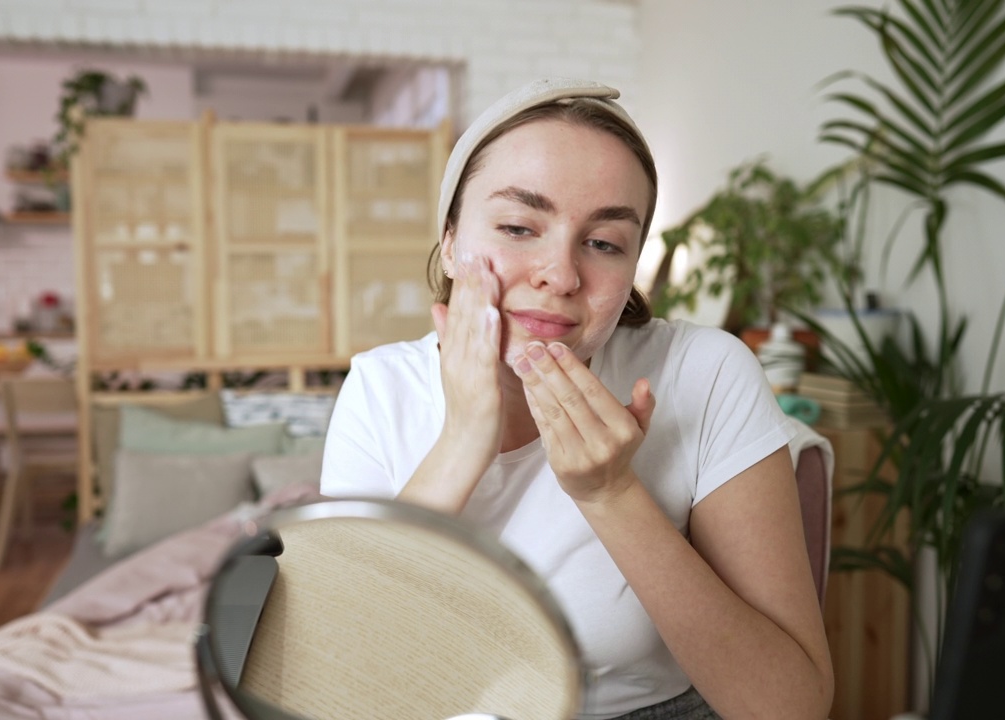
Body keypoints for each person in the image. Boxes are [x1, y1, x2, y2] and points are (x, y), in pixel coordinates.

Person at [320, 78, 833, 720]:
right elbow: (333, 673)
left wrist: (611, 494)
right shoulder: (382, 388)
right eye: (516, 226)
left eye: (603, 244)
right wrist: (463, 441)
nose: (560, 276)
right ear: (450, 241)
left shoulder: (704, 371)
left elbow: (789, 708)